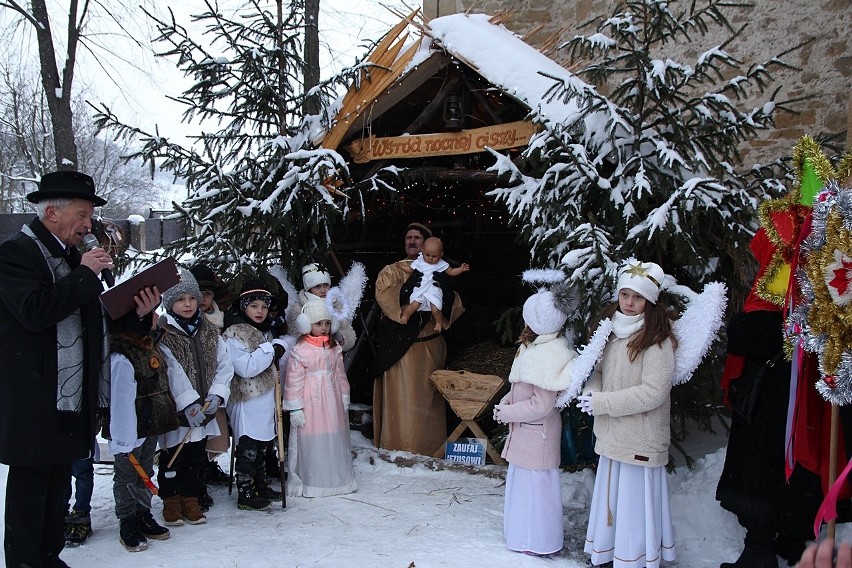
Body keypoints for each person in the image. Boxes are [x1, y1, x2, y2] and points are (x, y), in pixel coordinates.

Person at [0, 170, 159, 568]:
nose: (89, 225)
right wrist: (86, 274)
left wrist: (138, 314)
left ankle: (48, 558)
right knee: (30, 494)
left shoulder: (74, 259)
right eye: (83, 215)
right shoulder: (15, 254)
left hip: (70, 405)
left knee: (57, 492)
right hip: (35, 399)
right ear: (51, 212)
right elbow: (36, 312)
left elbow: (95, 323)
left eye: (90, 216)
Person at [716, 228, 823, 568]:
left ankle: (759, 550)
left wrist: (737, 325)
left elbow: (747, 337)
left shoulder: (776, 292)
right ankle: (792, 538)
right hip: (804, 404)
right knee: (798, 463)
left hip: (768, 404)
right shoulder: (820, 297)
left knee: (762, 469)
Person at [577, 260, 678, 568]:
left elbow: (653, 393)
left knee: (633, 505)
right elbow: (599, 371)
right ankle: (609, 553)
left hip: (640, 439)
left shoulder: (657, 339)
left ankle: (633, 558)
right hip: (612, 436)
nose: (630, 303)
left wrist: (604, 403)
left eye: (637, 297)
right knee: (612, 502)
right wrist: (592, 392)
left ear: (650, 300)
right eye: (625, 295)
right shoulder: (612, 331)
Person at [492, 286, 577, 556]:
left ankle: (538, 540)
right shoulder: (533, 347)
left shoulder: (548, 354)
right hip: (526, 436)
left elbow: (541, 404)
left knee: (537, 495)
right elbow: (521, 387)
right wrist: (507, 401)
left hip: (536, 436)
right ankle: (520, 535)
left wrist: (509, 413)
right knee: (523, 490)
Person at [371, 222, 465, 456]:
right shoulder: (393, 270)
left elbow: (457, 304)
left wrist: (447, 290)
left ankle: (430, 448)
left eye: (417, 238)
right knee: (401, 402)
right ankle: (398, 447)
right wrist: (404, 291)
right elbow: (384, 296)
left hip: (430, 344)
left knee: (428, 401)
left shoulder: (442, 268)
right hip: (401, 347)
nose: (412, 241)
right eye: (408, 237)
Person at [157, 269, 234, 525]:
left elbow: (224, 364)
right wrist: (188, 402)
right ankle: (171, 499)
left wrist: (217, 395)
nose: (188, 304)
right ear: (170, 303)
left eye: (192, 298)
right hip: (178, 410)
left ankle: (191, 499)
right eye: (180, 300)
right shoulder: (164, 333)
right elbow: (170, 370)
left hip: (205, 406)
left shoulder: (209, 331)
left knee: (195, 456)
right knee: (173, 455)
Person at [107, 314, 178, 552]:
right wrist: (124, 439)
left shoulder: (152, 347)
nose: (157, 318)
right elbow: (121, 400)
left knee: (145, 471)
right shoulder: (122, 356)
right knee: (127, 476)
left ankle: (143, 513)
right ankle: (127, 520)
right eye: (150, 315)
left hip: (150, 423)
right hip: (128, 430)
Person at [223, 279, 289, 511]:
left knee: (263, 445)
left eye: (263, 306)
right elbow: (246, 367)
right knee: (248, 445)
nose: (260, 311)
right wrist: (272, 349)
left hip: (265, 397)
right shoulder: (235, 335)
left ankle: (260, 484)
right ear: (244, 308)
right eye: (254, 306)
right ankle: (245, 490)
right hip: (247, 398)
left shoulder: (264, 332)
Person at [282, 300, 356, 497]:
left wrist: (344, 394)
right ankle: (315, 481)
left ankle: (336, 479)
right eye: (318, 324)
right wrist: (295, 408)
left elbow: (340, 373)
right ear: (307, 325)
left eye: (327, 323)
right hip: (311, 401)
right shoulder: (301, 350)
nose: (323, 328)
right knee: (314, 437)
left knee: (334, 435)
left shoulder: (334, 348)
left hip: (332, 400)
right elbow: (294, 380)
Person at [189, 263, 232, 488]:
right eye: (199, 294)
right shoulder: (187, 318)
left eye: (208, 294)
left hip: (216, 383)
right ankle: (196, 475)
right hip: (193, 383)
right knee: (195, 432)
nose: (204, 299)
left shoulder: (220, 319)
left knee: (215, 428)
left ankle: (208, 466)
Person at [398, 236, 470, 332]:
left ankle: (439, 322)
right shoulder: (419, 261)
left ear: (441, 254)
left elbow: (451, 272)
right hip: (420, 288)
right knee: (414, 305)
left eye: (434, 256)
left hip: (433, 290)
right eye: (427, 255)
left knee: (435, 309)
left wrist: (461, 269)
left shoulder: (441, 264)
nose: (430, 258)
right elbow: (410, 270)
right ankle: (406, 316)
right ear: (422, 251)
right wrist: (402, 267)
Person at [286, 262, 356, 351]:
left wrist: (340, 338)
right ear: (309, 288)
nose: (323, 290)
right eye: (317, 287)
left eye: (326, 285)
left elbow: (348, 333)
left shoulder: (336, 305)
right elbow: (295, 336)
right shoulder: (299, 308)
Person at [62, 453, 96, 547]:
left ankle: (81, 514)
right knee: (60, 473)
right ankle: (59, 514)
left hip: (80, 443)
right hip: (56, 443)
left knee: (83, 473)